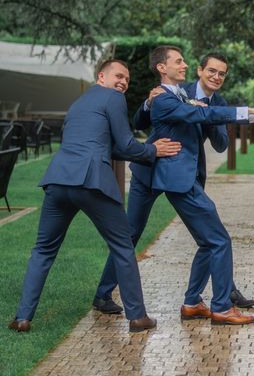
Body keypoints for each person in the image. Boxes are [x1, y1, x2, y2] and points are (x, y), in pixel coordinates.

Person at [8, 60, 182, 333]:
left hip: (58, 181)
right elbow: (124, 144)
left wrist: (144, 151)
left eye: (126, 79)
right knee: (123, 247)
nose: (123, 82)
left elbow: (99, 146)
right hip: (91, 182)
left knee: (42, 250)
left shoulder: (78, 103)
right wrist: (152, 151)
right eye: (118, 76)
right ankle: (137, 317)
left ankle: (23, 317)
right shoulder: (113, 98)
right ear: (101, 76)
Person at [117, 45, 254, 326]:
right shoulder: (164, 97)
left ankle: (191, 303)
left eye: (221, 73)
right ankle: (222, 307)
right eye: (179, 61)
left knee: (207, 241)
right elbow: (198, 115)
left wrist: (220, 112)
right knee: (219, 240)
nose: (185, 64)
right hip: (175, 178)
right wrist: (250, 111)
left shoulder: (176, 95)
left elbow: (211, 126)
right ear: (162, 67)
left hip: (182, 175)